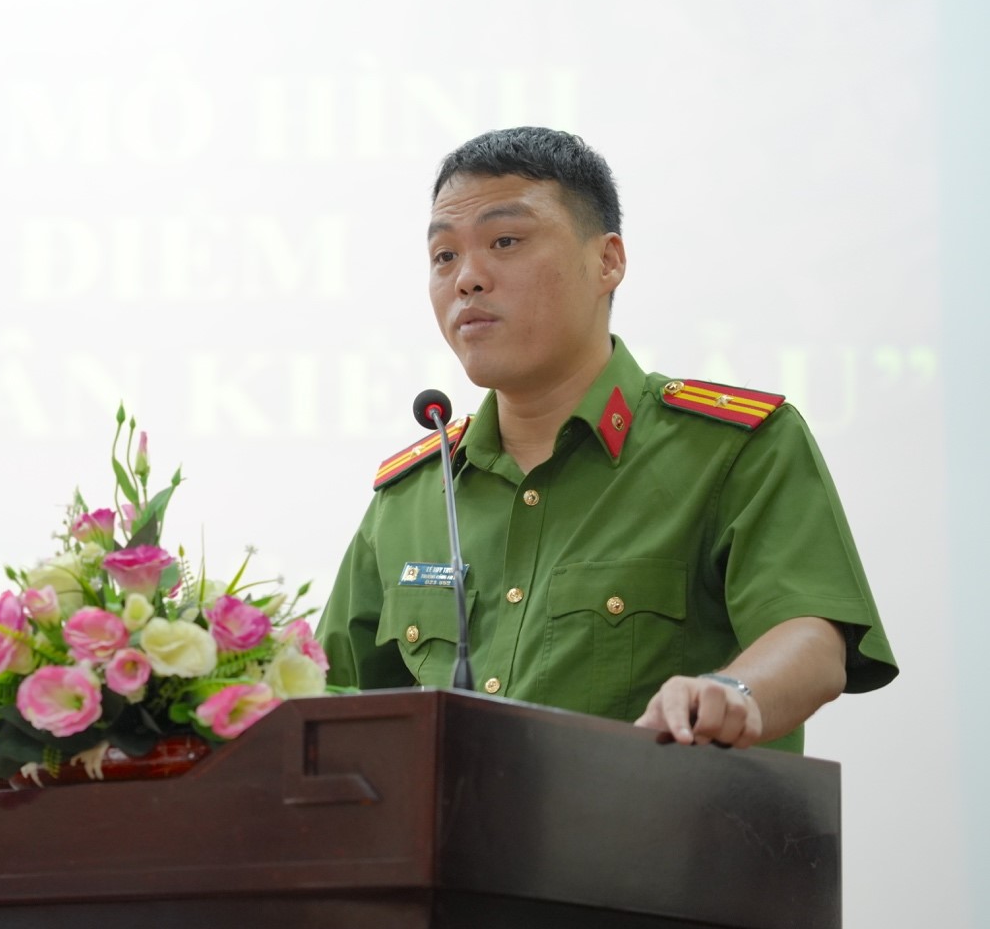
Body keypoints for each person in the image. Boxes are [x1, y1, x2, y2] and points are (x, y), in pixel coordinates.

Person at [315, 127, 897, 752]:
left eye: (505, 241)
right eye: (444, 256)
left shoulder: (732, 450)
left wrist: (732, 692)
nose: (467, 279)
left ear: (608, 261)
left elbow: (812, 639)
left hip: (661, 812)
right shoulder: (413, 496)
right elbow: (318, 703)